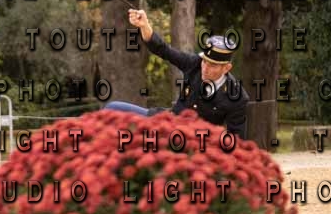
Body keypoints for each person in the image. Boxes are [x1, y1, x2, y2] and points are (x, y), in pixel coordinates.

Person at [103, 9, 249, 139]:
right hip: (166, 121)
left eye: (212, 65)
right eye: (205, 61)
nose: (205, 68)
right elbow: (164, 50)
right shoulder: (195, 64)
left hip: (192, 143)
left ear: (226, 68)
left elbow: (236, 140)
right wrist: (144, 26)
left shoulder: (237, 97)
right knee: (113, 108)